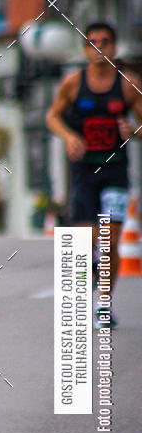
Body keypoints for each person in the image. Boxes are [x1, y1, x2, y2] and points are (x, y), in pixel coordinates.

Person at [46, 21, 142, 327]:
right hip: (84, 171)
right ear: (85, 50)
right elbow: (52, 117)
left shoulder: (127, 84)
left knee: (110, 240)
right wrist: (68, 137)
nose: (100, 47)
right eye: (93, 42)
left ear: (114, 48)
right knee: (87, 239)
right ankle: (92, 268)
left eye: (106, 41)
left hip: (115, 170)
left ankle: (104, 304)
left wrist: (133, 130)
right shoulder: (74, 83)